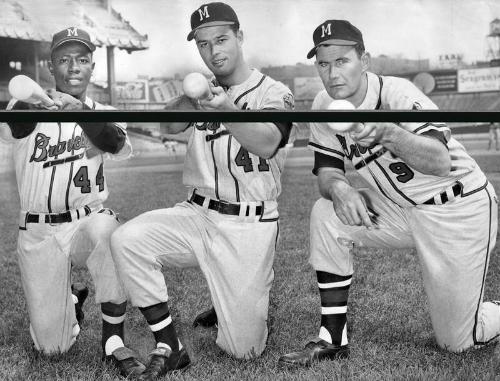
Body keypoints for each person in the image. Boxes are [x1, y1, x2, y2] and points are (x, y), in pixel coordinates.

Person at [278, 19, 499, 367]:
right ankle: (332, 338)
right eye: (323, 63)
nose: (332, 73)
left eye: (342, 61)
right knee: (326, 212)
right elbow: (328, 171)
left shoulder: (398, 95)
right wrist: (338, 189)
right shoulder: (324, 105)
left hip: (458, 207)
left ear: (364, 61)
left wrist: (388, 132)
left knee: (458, 342)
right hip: (401, 210)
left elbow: (440, 161)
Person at [110, 2, 295, 379]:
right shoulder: (202, 92)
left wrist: (225, 106)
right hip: (196, 213)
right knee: (127, 239)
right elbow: (167, 126)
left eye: (222, 39)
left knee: (244, 351)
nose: (214, 51)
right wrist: (192, 98)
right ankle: (170, 344)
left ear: (240, 38)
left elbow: (267, 142)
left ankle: (244, 301)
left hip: (249, 222)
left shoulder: (274, 92)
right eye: (204, 44)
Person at [0, 27, 144, 378]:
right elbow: (18, 127)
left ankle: (114, 342)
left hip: (85, 221)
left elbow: (116, 143)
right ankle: (73, 298)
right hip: (38, 230)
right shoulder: (28, 105)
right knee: (52, 347)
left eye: (81, 60)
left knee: (110, 231)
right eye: (64, 60)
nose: (73, 67)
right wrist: (36, 101)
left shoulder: (103, 111)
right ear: (51, 67)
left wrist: (81, 111)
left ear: (93, 66)